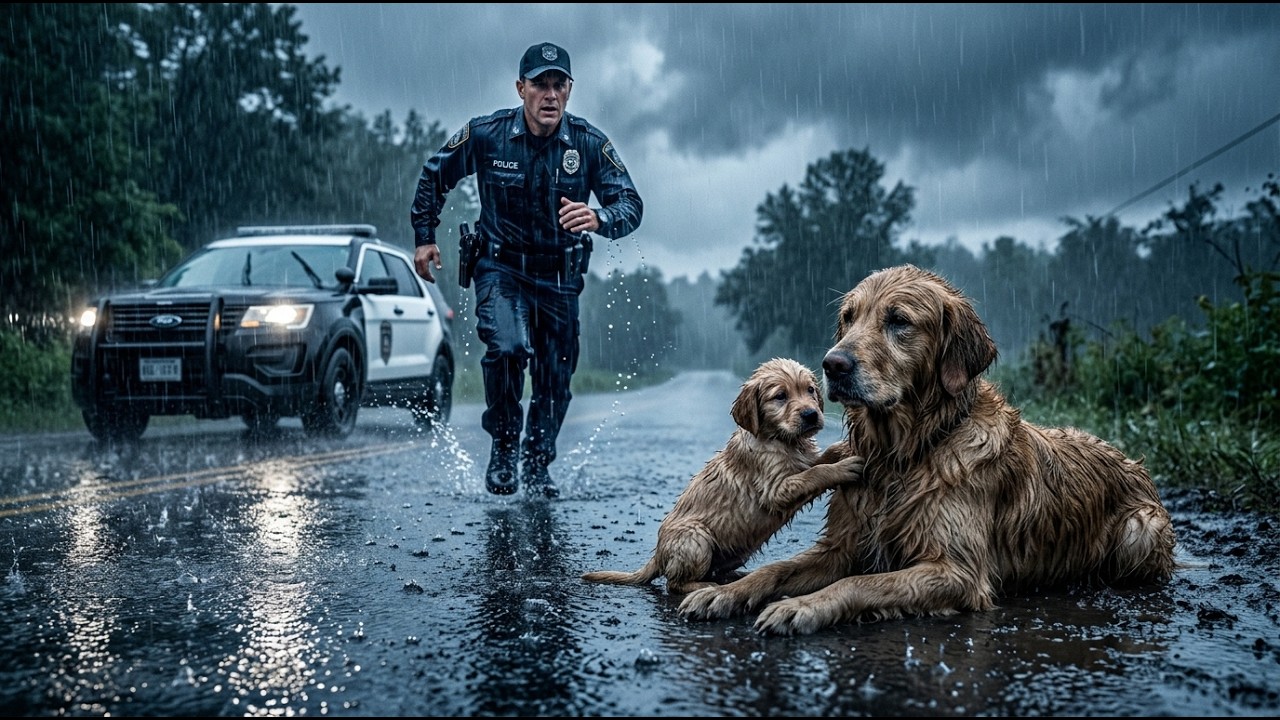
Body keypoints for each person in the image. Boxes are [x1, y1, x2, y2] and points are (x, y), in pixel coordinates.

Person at [410, 41, 643, 498]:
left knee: (556, 377)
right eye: (540, 84)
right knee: (509, 348)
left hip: (560, 276)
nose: (549, 95)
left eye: (559, 85)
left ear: (570, 90)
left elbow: (631, 204)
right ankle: (502, 447)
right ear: (521, 88)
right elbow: (433, 176)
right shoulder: (486, 134)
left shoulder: (590, 144)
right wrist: (424, 237)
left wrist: (599, 218)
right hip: (500, 269)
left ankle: (537, 463)